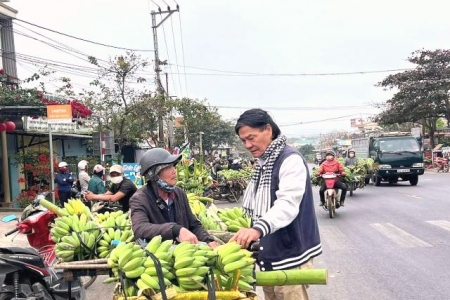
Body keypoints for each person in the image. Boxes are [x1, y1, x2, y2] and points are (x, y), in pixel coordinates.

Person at [229, 108, 321, 300]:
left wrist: (256, 229)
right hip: (269, 257)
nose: (247, 145)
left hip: (290, 257)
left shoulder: (290, 160)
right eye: (243, 140)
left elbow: (287, 204)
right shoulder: (264, 162)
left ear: (268, 130)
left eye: (251, 137)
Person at [130, 148, 219, 248]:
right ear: (153, 174)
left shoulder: (179, 193)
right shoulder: (140, 198)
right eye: (168, 167)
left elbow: (193, 224)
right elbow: (140, 228)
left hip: (184, 253)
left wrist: (208, 240)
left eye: (173, 166)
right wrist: (175, 229)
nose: (174, 171)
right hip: (158, 256)